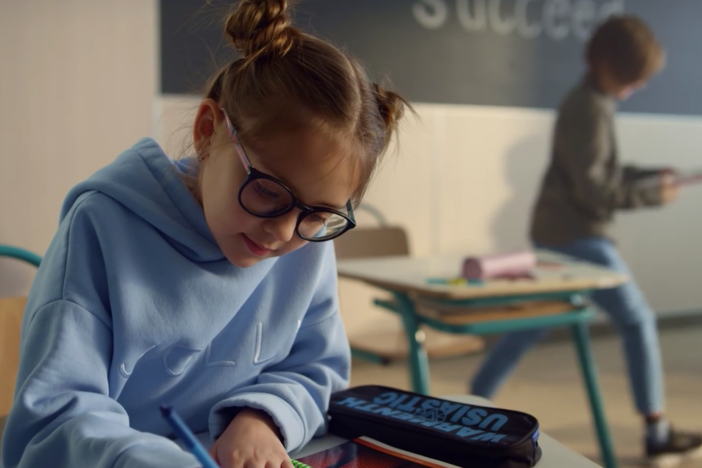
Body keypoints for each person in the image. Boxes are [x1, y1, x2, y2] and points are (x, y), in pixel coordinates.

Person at [0, 1, 410, 467]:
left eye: (317, 213)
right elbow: (53, 420)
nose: (281, 231)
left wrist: (260, 418)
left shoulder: (307, 242)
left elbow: (317, 371)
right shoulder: (101, 230)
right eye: (269, 191)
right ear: (207, 131)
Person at [470, 15, 702, 466]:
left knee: (530, 323)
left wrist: (653, 175)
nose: (635, 86)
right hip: (576, 236)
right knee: (637, 319)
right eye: (631, 77)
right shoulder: (588, 108)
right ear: (606, 63)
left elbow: (604, 172)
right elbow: (596, 192)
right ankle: (656, 430)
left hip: (562, 232)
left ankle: (473, 402)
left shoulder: (592, 101)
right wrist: (654, 193)